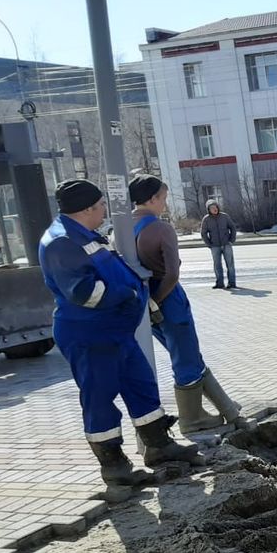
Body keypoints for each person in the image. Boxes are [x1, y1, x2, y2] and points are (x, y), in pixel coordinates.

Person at [38, 179, 201, 486]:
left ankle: (159, 446)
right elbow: (84, 291)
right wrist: (126, 294)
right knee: (99, 397)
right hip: (90, 335)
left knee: (141, 385)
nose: (104, 210)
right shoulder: (62, 241)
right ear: (86, 209)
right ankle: (115, 467)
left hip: (117, 332)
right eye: (101, 205)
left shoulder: (84, 233)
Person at [129, 174, 242, 435]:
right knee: (186, 360)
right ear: (152, 198)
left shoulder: (124, 229)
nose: (165, 204)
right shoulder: (159, 228)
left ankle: (227, 407)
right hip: (169, 300)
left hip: (147, 303)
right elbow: (172, 273)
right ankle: (192, 418)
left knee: (187, 355)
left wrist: (150, 303)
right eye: (164, 198)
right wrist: (158, 301)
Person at [200, 198, 238, 289]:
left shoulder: (224, 216)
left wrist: (231, 240)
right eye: (212, 207)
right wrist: (209, 243)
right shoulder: (206, 219)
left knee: (230, 264)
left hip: (226, 244)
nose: (215, 209)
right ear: (208, 209)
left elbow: (232, 227)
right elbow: (203, 233)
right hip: (215, 246)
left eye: (216, 207)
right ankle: (220, 283)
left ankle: (232, 283)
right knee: (217, 265)